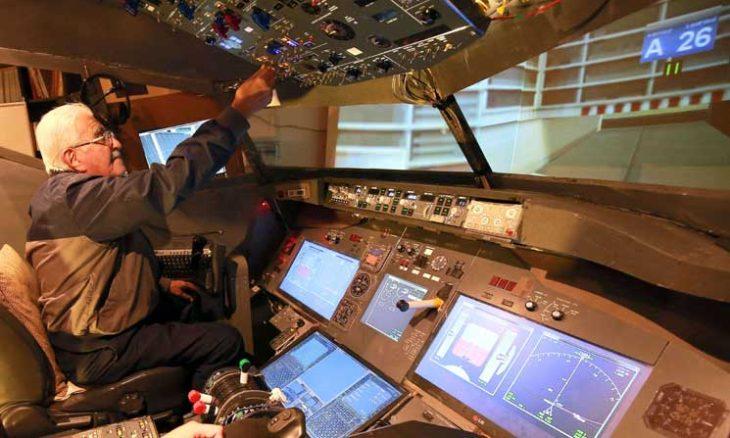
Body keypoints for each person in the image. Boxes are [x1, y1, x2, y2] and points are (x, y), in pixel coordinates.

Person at [25, 66, 276, 390]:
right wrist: (239, 111)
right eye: (101, 136)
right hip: (100, 350)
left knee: (195, 305)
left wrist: (160, 283)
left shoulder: (62, 197)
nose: (115, 141)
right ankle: (206, 416)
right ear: (72, 158)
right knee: (224, 340)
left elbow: (97, 267)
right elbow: (170, 181)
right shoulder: (78, 196)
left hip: (90, 340)